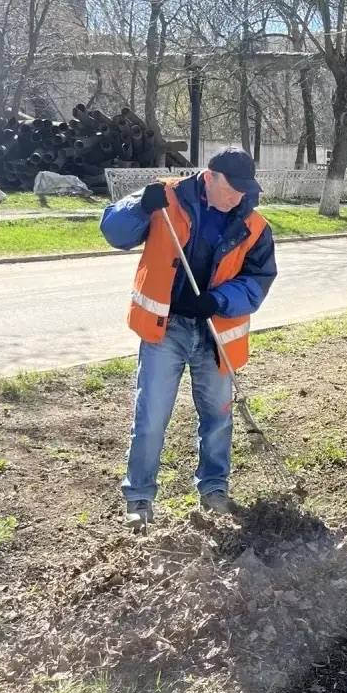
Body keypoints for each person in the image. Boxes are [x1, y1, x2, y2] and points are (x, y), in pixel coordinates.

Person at [99, 148, 277, 529]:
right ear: (209, 177)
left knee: (217, 417)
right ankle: (139, 497)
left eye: (245, 191)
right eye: (231, 189)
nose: (238, 197)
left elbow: (258, 282)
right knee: (151, 416)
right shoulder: (164, 197)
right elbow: (114, 232)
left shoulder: (255, 226)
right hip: (166, 328)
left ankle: (214, 490)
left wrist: (216, 300)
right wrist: (138, 209)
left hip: (216, 332)